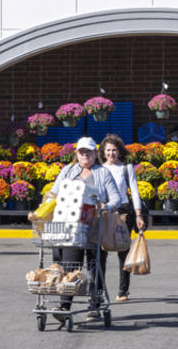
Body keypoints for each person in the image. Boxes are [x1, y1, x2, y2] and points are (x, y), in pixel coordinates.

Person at [48, 136, 124, 324]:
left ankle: (95, 304)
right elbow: (53, 193)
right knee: (70, 267)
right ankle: (64, 306)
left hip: (95, 228)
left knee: (95, 267)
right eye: (82, 152)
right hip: (70, 229)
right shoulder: (68, 171)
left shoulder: (102, 173)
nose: (85, 155)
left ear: (94, 154)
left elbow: (116, 198)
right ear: (77, 153)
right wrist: (47, 203)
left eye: (89, 152)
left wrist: (105, 206)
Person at [99, 134, 146, 302]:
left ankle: (123, 290)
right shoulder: (99, 169)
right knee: (101, 253)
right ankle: (99, 290)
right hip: (104, 211)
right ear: (103, 153)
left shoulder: (126, 168)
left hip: (123, 211)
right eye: (108, 150)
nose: (111, 154)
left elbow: (134, 191)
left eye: (114, 150)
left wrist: (139, 214)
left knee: (123, 250)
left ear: (120, 152)